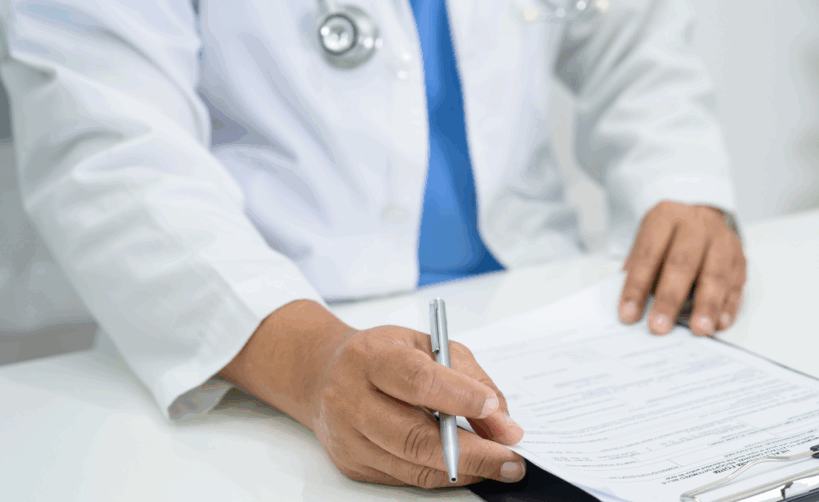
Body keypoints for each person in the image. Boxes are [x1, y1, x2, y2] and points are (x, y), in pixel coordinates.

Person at [0, 0, 745, 490]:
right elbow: (109, 149)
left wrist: (681, 185)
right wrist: (311, 359)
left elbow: (637, 36)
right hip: (254, 334)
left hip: (538, 310)